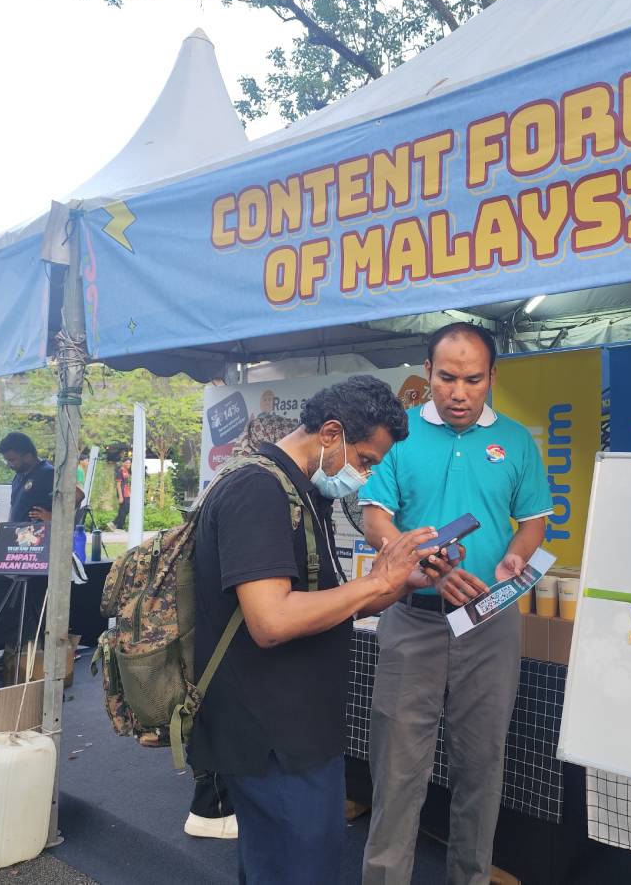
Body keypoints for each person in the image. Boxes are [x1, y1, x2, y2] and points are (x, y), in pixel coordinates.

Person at [190, 375, 443, 884]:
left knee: (287, 864)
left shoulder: (300, 493)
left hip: (297, 730)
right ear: (330, 433)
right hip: (272, 737)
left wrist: (398, 583)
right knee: (297, 867)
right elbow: (272, 620)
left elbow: (328, 606)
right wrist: (378, 582)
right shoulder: (258, 491)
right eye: (365, 460)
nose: (365, 476)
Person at [359, 323, 554, 885]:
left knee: (481, 766)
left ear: (492, 376)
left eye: (473, 379)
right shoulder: (398, 437)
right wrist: (422, 563)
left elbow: (534, 519)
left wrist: (516, 556)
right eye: (446, 378)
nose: (459, 393)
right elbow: (374, 517)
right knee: (397, 769)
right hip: (412, 621)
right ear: (427, 372)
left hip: (490, 624)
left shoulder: (515, 441)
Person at [184, 412, 298, 842]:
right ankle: (209, 810)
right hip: (228, 624)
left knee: (212, 704)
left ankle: (213, 800)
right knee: (221, 709)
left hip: (211, 619)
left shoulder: (226, 477)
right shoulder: (254, 486)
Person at [0, 433, 55, 524]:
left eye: (12, 460)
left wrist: (53, 517)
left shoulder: (48, 473)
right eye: (7, 460)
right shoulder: (19, 475)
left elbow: (75, 498)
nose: (9, 465)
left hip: (39, 532)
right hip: (17, 531)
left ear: (28, 456)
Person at [113, 457, 131, 530]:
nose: (128, 464)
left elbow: (126, 483)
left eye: (129, 463)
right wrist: (120, 496)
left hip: (127, 493)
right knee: (125, 509)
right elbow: (118, 485)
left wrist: (129, 493)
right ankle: (118, 526)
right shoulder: (120, 471)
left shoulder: (126, 471)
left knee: (124, 510)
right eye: (127, 463)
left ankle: (115, 524)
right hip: (122, 493)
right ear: (123, 463)